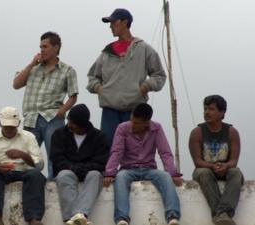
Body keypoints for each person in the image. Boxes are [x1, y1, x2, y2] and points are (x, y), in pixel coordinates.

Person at [87, 8, 166, 147]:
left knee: (134, 150)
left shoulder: (144, 48)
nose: (110, 26)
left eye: (113, 22)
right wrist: (99, 88)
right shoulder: (107, 52)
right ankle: (109, 170)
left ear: (125, 22)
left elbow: (159, 75)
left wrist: (145, 87)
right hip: (109, 109)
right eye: (109, 23)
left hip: (134, 110)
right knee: (108, 148)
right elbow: (93, 76)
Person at [13, 31, 79, 179]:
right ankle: (27, 181)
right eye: (40, 46)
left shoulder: (67, 70)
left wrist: (62, 111)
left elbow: (73, 95)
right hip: (31, 118)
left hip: (52, 117)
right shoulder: (33, 69)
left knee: (54, 155)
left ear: (56, 48)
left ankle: (53, 185)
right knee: (26, 155)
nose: (42, 50)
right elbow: (16, 84)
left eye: (45, 46)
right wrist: (31, 64)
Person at [103, 103, 182, 225]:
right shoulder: (122, 128)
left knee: (165, 177)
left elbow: (165, 152)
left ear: (146, 123)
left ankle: (172, 216)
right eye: (131, 121)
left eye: (136, 123)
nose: (132, 125)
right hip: (128, 169)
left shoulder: (156, 128)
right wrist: (110, 172)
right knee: (120, 178)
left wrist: (173, 173)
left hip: (149, 168)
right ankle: (122, 219)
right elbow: (116, 152)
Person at [0, 107, 46, 225]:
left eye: (12, 126)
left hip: (24, 171)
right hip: (1, 172)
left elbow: (39, 164)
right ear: (0, 123)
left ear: (19, 124)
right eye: (6, 126)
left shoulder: (29, 137)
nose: (10, 129)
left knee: (36, 175)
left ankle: (34, 218)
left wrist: (23, 155)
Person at [50, 104, 109, 225]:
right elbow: (56, 158)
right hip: (68, 169)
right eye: (69, 121)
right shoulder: (59, 134)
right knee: (63, 175)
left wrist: (85, 168)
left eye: (73, 123)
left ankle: (79, 215)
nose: (69, 125)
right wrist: (72, 167)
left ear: (83, 126)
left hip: (89, 171)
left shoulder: (99, 137)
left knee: (95, 175)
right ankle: (74, 218)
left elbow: (101, 161)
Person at [189, 95, 243, 225]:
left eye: (211, 109)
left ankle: (224, 212)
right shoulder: (197, 132)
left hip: (225, 169)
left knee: (236, 173)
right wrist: (212, 166)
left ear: (222, 112)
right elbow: (197, 162)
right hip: (205, 169)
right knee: (203, 173)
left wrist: (225, 166)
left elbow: (234, 161)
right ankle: (220, 215)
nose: (207, 112)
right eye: (205, 109)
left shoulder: (232, 132)